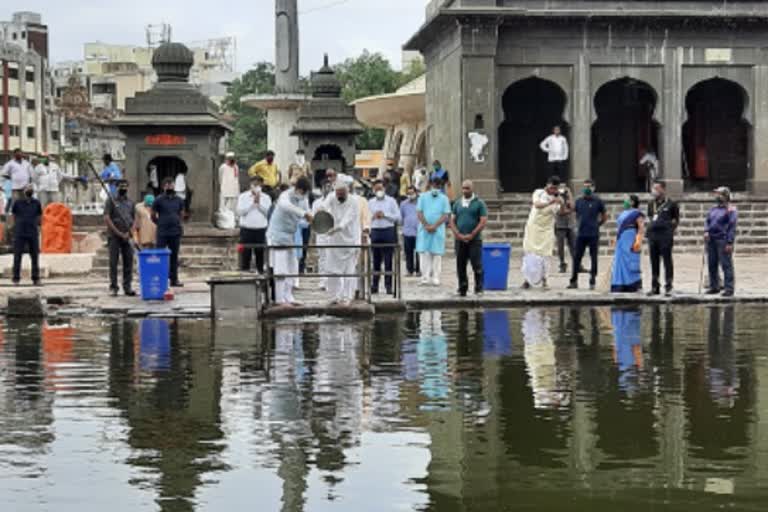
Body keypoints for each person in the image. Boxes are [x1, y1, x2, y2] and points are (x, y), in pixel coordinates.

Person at [267, 177, 313, 306]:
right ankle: (279, 299)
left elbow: (306, 217)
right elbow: (285, 207)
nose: (303, 195)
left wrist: (310, 219)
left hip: (291, 236)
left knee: (292, 266)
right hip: (277, 235)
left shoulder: (303, 199)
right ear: (297, 189)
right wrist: (303, 213)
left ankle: (289, 295)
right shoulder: (285, 195)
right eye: (302, 192)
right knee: (281, 268)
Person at [323, 181, 361, 305]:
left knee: (349, 271)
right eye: (337, 193)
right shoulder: (332, 197)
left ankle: (347, 296)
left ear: (347, 192)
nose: (339, 196)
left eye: (342, 194)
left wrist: (338, 227)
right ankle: (334, 295)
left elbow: (348, 218)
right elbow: (324, 206)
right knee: (332, 270)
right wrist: (320, 212)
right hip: (334, 240)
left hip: (350, 239)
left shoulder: (354, 202)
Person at [522, 176, 562, 289]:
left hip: (547, 230)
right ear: (547, 184)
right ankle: (527, 280)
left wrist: (562, 200)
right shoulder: (538, 192)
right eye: (552, 187)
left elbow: (561, 212)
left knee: (546, 255)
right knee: (530, 254)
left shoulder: (557, 198)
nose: (553, 190)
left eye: (555, 188)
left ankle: (545, 280)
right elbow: (537, 205)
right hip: (533, 228)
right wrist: (552, 201)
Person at [450, 180, 488, 297]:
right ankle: (462, 288)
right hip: (460, 239)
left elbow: (483, 221)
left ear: (472, 189)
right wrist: (458, 234)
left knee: (477, 265)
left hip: (475, 240)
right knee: (460, 265)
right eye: (463, 188)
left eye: (467, 188)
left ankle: (479, 288)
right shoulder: (457, 203)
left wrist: (472, 234)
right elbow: (452, 220)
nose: (465, 190)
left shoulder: (479, 203)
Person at [568, 179, 607, 290]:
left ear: (593, 188)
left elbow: (604, 216)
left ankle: (592, 280)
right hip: (581, 234)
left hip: (593, 234)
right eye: (585, 186)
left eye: (589, 186)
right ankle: (573, 281)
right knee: (576, 258)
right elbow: (573, 211)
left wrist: (597, 225)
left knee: (593, 257)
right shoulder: (579, 201)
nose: (587, 189)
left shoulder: (598, 201)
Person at [416, 176, 452, 286]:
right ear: (430, 185)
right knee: (424, 253)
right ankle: (425, 277)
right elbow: (419, 212)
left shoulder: (444, 198)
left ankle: (436, 277)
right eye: (434, 185)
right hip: (424, 229)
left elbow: (446, 214)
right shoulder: (422, 197)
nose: (436, 187)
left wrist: (435, 226)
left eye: (438, 186)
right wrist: (426, 225)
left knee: (437, 255)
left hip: (438, 230)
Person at [647, 180, 680, 296]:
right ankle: (655, 287)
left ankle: (669, 287)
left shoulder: (672, 204)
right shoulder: (651, 203)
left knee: (667, 261)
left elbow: (676, 220)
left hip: (665, 237)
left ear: (663, 189)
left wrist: (669, 231)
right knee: (654, 262)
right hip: (653, 236)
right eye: (653, 188)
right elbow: (651, 217)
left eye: (656, 188)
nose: (654, 191)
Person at [104, 180, 137, 297]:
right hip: (114, 236)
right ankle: (114, 287)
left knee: (128, 262)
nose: (123, 188)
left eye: (125, 186)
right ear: (116, 187)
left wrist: (130, 232)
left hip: (127, 236)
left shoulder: (130, 203)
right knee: (113, 262)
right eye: (120, 186)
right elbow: (107, 218)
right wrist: (118, 233)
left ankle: (127, 286)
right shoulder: (111, 200)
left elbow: (134, 220)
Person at [368, 180, 401, 295]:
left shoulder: (391, 201)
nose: (379, 191)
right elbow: (366, 217)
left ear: (384, 189)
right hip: (375, 231)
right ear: (373, 190)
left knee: (388, 261)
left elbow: (398, 217)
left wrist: (385, 215)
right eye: (376, 189)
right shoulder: (370, 202)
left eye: (380, 189)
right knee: (375, 261)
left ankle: (388, 286)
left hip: (388, 231)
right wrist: (373, 216)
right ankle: (375, 285)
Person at [152, 177, 187, 288]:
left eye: (171, 184)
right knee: (160, 255)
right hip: (162, 232)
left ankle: (174, 279)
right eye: (167, 185)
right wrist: (159, 223)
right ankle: (160, 279)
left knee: (174, 256)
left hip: (175, 232)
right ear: (163, 187)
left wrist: (177, 222)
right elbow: (152, 215)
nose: (170, 186)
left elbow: (181, 214)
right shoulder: (158, 199)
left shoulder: (179, 200)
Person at [705, 186, 738, 298]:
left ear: (725, 196)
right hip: (711, 239)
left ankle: (729, 288)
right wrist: (706, 231)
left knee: (726, 264)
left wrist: (729, 242)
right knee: (712, 263)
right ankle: (714, 286)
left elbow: (731, 226)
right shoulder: (713, 209)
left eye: (719, 194)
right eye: (716, 194)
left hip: (723, 239)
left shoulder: (731, 210)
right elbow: (707, 221)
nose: (717, 196)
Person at [610, 195, 645, 293]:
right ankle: (619, 284)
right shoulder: (623, 213)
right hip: (621, 240)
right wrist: (616, 239)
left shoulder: (637, 214)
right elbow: (619, 227)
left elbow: (641, 229)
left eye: (627, 200)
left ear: (633, 202)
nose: (624, 201)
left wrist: (638, 241)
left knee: (631, 262)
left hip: (631, 240)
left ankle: (632, 284)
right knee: (619, 262)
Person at [237, 175, 271, 273]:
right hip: (246, 230)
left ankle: (260, 276)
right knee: (245, 255)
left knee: (260, 256)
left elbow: (268, 213)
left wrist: (259, 204)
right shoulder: (243, 197)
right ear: (250, 185)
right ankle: (245, 277)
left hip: (261, 230)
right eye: (254, 185)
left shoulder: (266, 197)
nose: (256, 187)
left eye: (258, 185)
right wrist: (252, 204)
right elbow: (240, 212)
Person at [10, 184, 42, 286]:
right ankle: (16, 279)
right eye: (27, 188)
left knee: (35, 257)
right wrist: (15, 228)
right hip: (20, 232)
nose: (29, 190)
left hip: (32, 232)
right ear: (23, 191)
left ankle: (36, 279)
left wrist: (38, 228)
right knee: (17, 256)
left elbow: (39, 216)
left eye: (31, 189)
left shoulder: (36, 203)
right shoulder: (18, 203)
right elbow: (13, 215)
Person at [554, 182, 576, 273]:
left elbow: (573, 206)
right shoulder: (556, 197)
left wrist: (569, 194)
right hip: (560, 225)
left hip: (570, 224)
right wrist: (569, 210)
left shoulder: (568, 196)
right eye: (561, 187)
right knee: (561, 247)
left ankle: (577, 264)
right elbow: (560, 212)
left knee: (573, 245)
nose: (562, 189)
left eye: (564, 187)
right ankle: (562, 264)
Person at [400, 185, 421, 276]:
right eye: (408, 193)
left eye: (412, 193)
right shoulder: (403, 204)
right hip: (408, 231)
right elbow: (401, 217)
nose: (410, 195)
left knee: (419, 252)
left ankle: (419, 270)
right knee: (408, 252)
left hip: (419, 231)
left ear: (416, 193)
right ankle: (409, 270)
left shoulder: (421, 203)